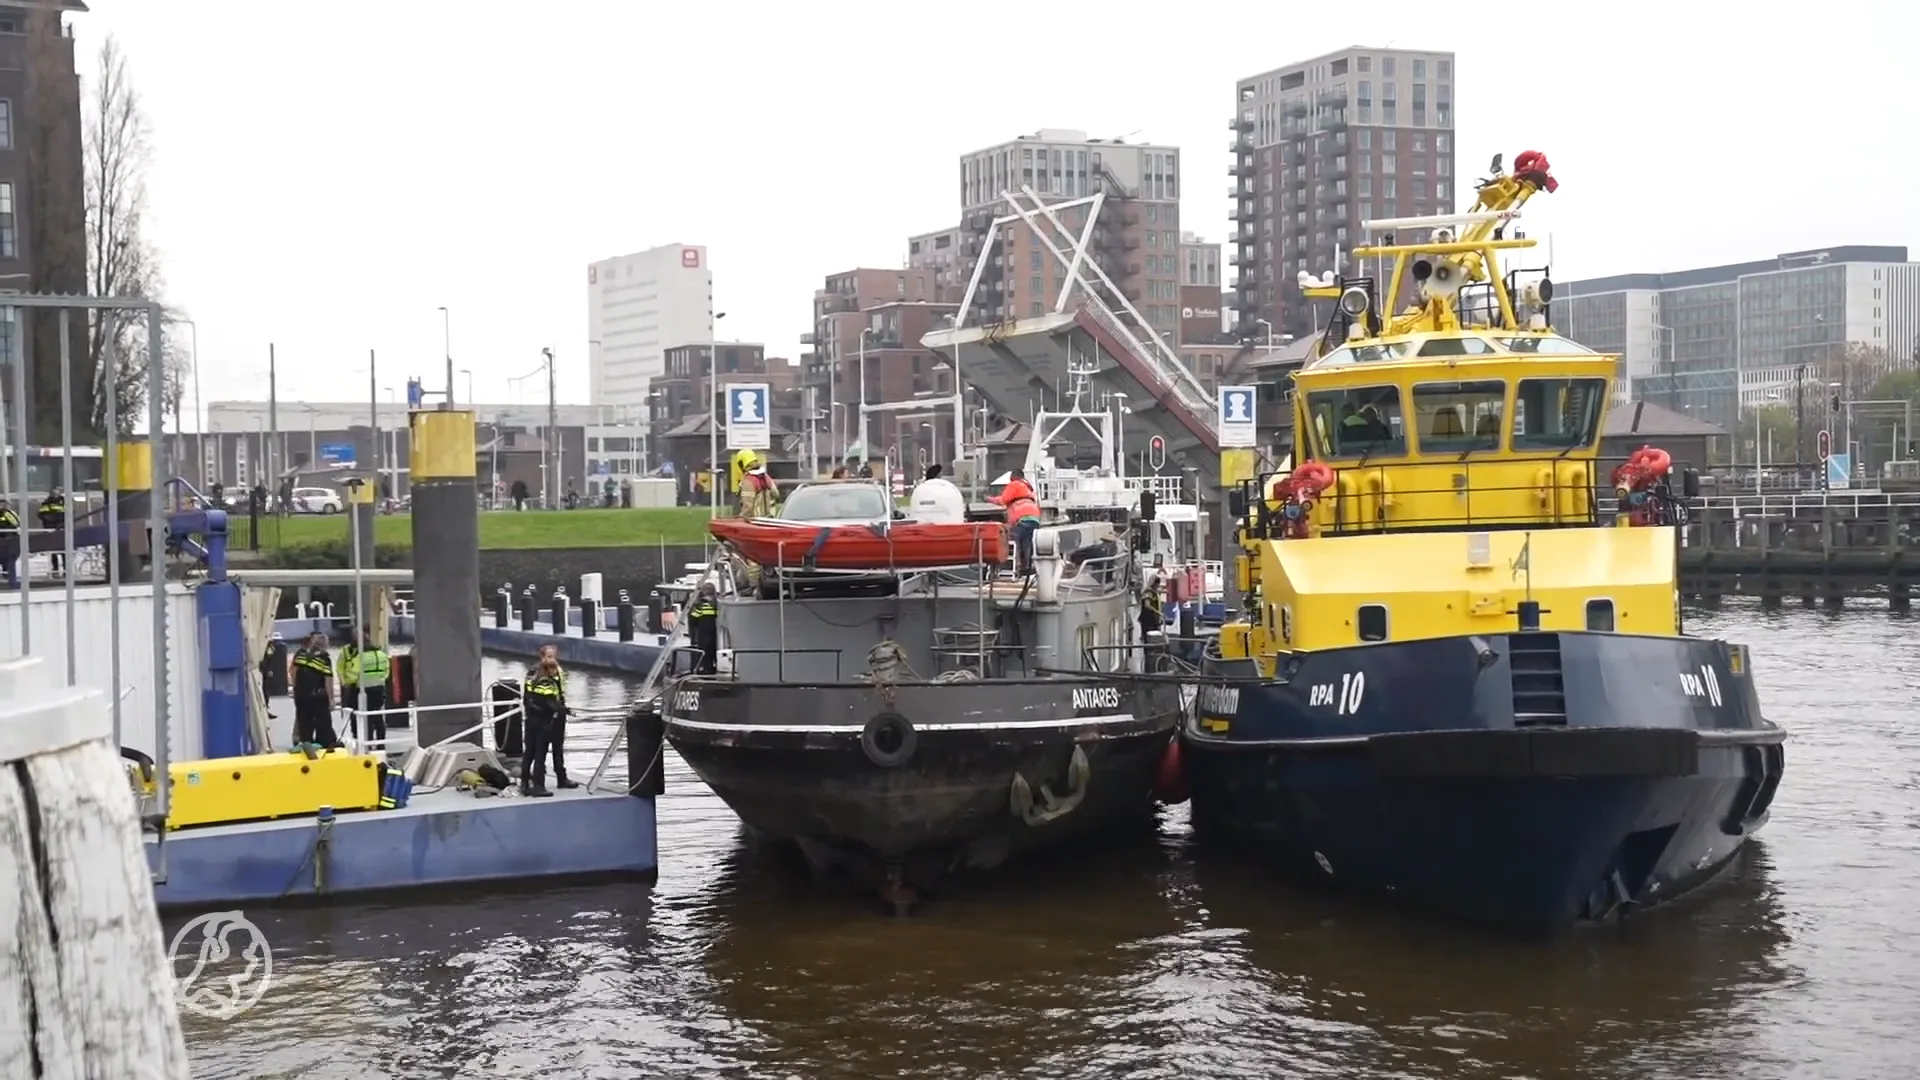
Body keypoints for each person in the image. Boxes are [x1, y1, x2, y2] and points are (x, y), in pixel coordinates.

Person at [520, 645, 573, 796]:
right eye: (548, 656)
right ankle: (536, 784)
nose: (551, 660)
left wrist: (561, 709)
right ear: (541, 657)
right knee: (536, 751)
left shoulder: (557, 672)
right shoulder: (538, 675)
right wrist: (553, 710)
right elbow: (540, 699)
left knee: (557, 747)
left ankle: (560, 778)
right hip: (543, 717)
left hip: (552, 715)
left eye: (553, 656)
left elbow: (557, 694)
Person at [288, 631, 340, 748]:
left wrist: (297, 689)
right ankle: (325, 744)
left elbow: (293, 673)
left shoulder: (300, 654)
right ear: (324, 645)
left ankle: (306, 744)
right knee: (323, 722)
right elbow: (328, 680)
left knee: (304, 722)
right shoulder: (324, 659)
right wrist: (331, 700)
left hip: (301, 695)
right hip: (317, 696)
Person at [991, 469, 1042, 575]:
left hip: (1022, 517)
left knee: (1013, 541)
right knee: (1027, 543)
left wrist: (990, 499)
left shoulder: (1014, 485)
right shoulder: (1028, 488)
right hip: (1034, 518)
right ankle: (1027, 567)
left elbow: (1003, 500)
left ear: (1014, 477)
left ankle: (1014, 568)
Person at [355, 628, 392, 746]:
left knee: (368, 717)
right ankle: (381, 742)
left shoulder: (359, 657)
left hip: (365, 689)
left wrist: (353, 683)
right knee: (378, 715)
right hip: (379, 688)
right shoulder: (382, 655)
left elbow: (354, 673)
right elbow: (387, 671)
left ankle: (369, 742)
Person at [687, 581, 720, 675]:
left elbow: (694, 616)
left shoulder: (701, 605)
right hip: (714, 632)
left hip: (703, 632)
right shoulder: (716, 604)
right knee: (714, 651)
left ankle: (706, 669)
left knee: (705, 652)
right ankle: (715, 667)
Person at [36, 487, 65, 577]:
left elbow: (70, 513)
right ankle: (55, 569)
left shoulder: (65, 501)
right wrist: (50, 521)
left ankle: (66, 570)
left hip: (62, 528)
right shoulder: (46, 503)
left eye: (56, 493)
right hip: (51, 528)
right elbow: (41, 514)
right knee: (53, 551)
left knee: (64, 550)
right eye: (53, 493)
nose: (54, 495)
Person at [0, 498, 18, 588]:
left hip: (8, 538)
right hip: (2, 538)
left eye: (5, 504)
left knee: (8, 558)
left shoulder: (10, 513)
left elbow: (15, 523)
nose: (3, 506)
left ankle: (8, 575)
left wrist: (6, 513)